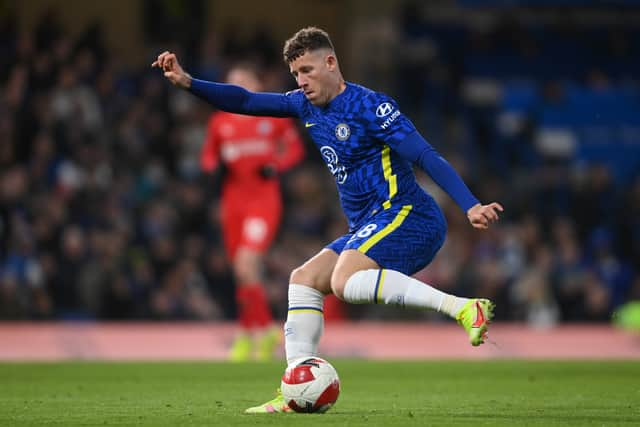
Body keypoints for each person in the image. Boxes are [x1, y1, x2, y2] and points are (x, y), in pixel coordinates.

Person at [153, 27, 503, 413]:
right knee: (303, 280)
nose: (301, 82)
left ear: (331, 62)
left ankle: (463, 308)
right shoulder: (304, 105)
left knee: (343, 279)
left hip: (408, 215)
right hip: (369, 224)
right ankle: (294, 390)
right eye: (295, 75)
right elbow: (246, 100)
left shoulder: (371, 106)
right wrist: (187, 82)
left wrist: (469, 204)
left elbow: (425, 155)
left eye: (306, 70)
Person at [200, 63, 304, 361]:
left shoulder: (272, 117)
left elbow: (294, 150)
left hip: (263, 201)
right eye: (233, 82)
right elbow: (208, 155)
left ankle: (266, 330)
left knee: (247, 264)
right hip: (232, 202)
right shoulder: (220, 122)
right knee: (242, 272)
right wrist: (210, 167)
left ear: (256, 85)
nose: (238, 86)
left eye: (244, 80)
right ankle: (247, 334)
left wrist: (276, 165)